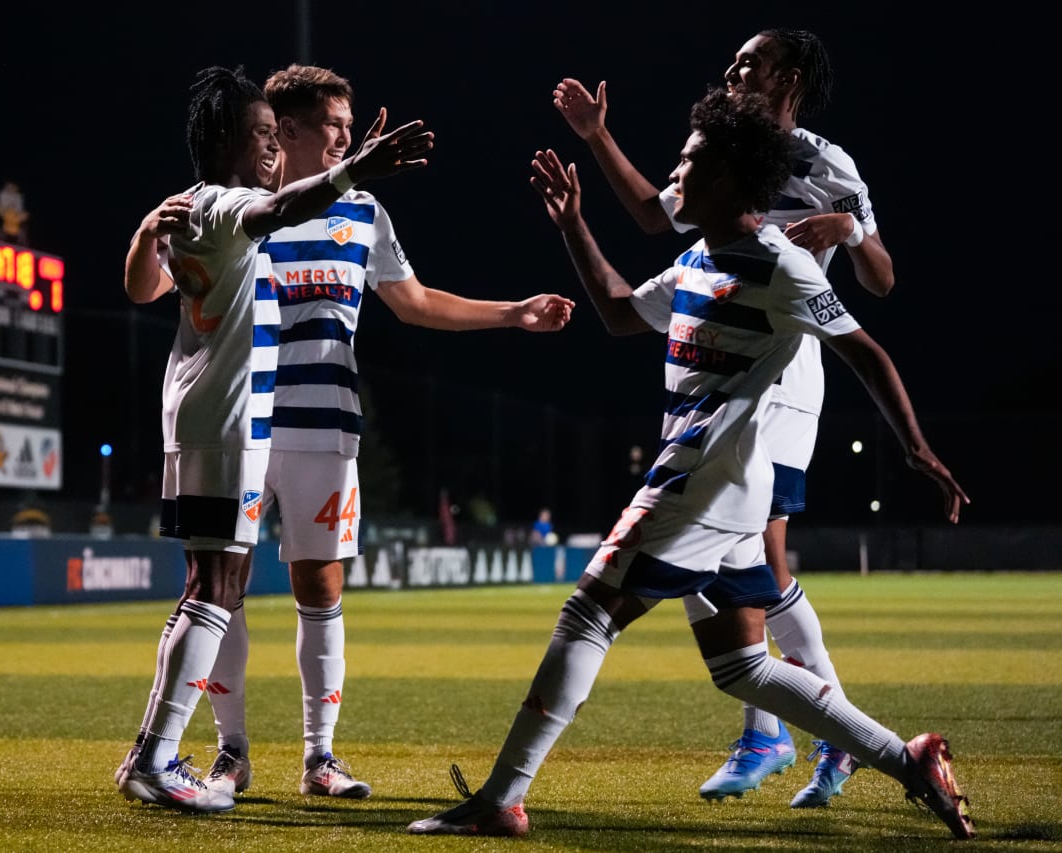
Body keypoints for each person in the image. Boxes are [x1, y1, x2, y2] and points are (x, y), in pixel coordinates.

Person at [406, 89, 974, 841]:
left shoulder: (783, 267)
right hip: (726, 489)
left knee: (588, 612)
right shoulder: (698, 261)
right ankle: (910, 759)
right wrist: (574, 225)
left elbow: (865, 349)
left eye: (691, 161)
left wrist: (916, 447)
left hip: (706, 477)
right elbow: (615, 310)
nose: (676, 173)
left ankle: (502, 797)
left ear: (735, 178)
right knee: (742, 666)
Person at [192, 63, 576, 805]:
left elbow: (416, 301)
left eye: (348, 125)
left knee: (322, 587)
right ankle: (229, 752)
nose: (345, 135)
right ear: (290, 128)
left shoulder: (363, 212)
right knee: (223, 586)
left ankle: (319, 758)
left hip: (327, 425)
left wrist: (513, 313)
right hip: (241, 421)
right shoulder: (244, 208)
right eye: (334, 124)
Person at [552, 28, 894, 806]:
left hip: (787, 373)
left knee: (752, 544)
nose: (734, 70)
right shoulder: (722, 151)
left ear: (792, 77)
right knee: (731, 553)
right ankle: (796, 732)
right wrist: (598, 137)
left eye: (751, 62)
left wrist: (851, 229)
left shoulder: (826, 165)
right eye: (733, 62)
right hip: (719, 364)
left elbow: (880, 280)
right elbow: (650, 215)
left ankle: (796, 732)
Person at [113, 64, 433, 814]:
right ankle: (155, 757)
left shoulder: (189, 206)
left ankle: (164, 754)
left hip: (207, 420)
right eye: (260, 134)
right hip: (226, 426)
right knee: (216, 591)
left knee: (214, 588)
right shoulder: (228, 206)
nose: (269, 148)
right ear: (232, 140)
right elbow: (283, 204)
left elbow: (143, 283)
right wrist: (356, 168)